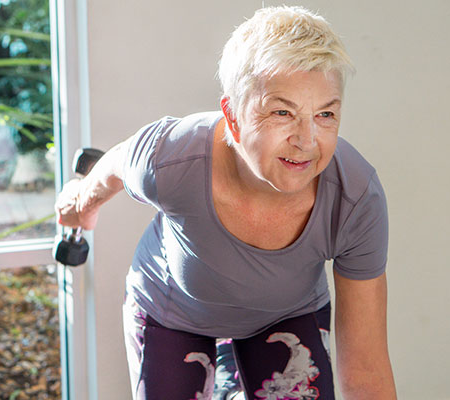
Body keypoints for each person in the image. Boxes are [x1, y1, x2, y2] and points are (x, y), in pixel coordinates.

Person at [55, 5, 397, 400]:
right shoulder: (172, 157)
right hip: (173, 311)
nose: (307, 141)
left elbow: (365, 371)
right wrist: (82, 201)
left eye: (325, 114)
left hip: (286, 311)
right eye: (282, 112)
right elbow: (115, 164)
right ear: (232, 117)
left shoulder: (355, 199)